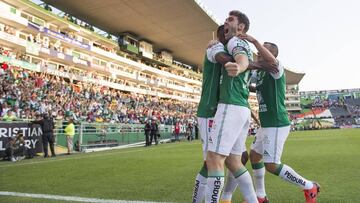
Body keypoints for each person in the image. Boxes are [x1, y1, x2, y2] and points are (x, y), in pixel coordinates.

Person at [239, 33, 320, 203]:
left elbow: (268, 63)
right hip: (266, 125)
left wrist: (254, 41)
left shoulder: (277, 67)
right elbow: (249, 73)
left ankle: (309, 186)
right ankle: (260, 196)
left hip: (276, 123)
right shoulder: (260, 73)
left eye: (263, 50)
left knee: (272, 165)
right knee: (254, 156)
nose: (258, 52)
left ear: (272, 55)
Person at [204, 10, 258, 203]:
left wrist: (239, 66)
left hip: (230, 105)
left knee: (214, 159)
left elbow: (241, 59)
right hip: (241, 107)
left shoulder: (237, 41)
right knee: (234, 162)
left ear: (241, 27)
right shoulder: (234, 44)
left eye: (230, 19)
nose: (225, 22)